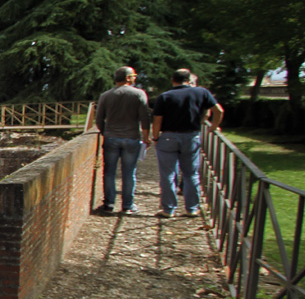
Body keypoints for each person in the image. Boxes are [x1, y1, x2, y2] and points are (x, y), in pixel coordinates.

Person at [150, 69, 224, 218]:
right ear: (189, 79)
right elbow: (219, 111)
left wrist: (156, 137)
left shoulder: (165, 96)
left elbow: (157, 120)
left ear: (173, 80)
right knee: (191, 173)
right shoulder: (201, 92)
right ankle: (192, 208)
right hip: (191, 136)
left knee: (168, 174)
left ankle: (169, 209)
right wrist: (213, 127)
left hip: (169, 137)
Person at [95, 66, 151, 215]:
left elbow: (99, 119)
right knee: (129, 173)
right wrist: (146, 137)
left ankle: (109, 204)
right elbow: (145, 118)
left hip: (111, 137)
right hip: (131, 137)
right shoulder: (139, 94)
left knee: (109, 172)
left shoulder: (106, 95)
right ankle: (127, 205)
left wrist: (104, 132)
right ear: (127, 78)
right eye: (133, 75)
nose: (135, 78)